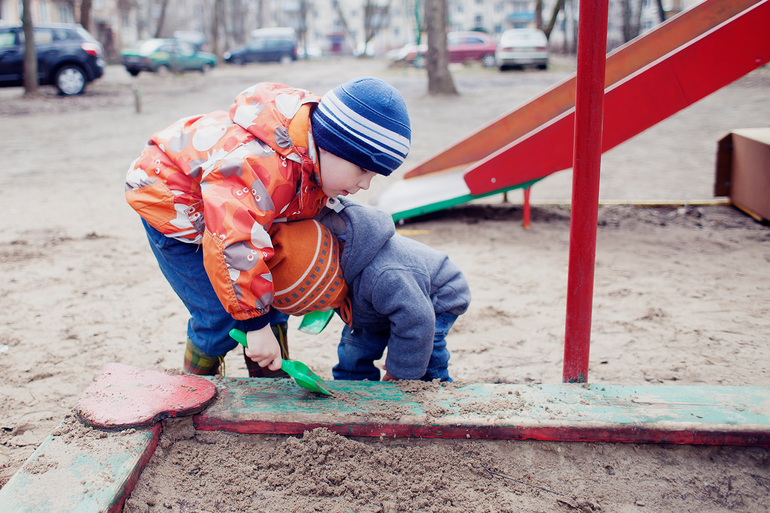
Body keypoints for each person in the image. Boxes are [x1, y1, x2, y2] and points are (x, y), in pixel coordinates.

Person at [124, 77, 411, 377]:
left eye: (374, 176)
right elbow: (233, 243)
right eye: (363, 169)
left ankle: (271, 377)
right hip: (173, 209)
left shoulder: (313, 163)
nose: (365, 184)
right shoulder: (259, 167)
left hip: (232, 220)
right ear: (330, 145)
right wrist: (254, 324)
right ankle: (193, 387)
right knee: (218, 317)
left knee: (271, 300)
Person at [272, 198, 471, 382]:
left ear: (330, 281)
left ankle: (434, 386)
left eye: (322, 304)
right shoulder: (330, 262)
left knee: (425, 347)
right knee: (355, 345)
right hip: (375, 300)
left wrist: (398, 373)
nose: (324, 310)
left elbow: (417, 320)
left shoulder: (384, 274)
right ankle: (354, 384)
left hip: (436, 295)